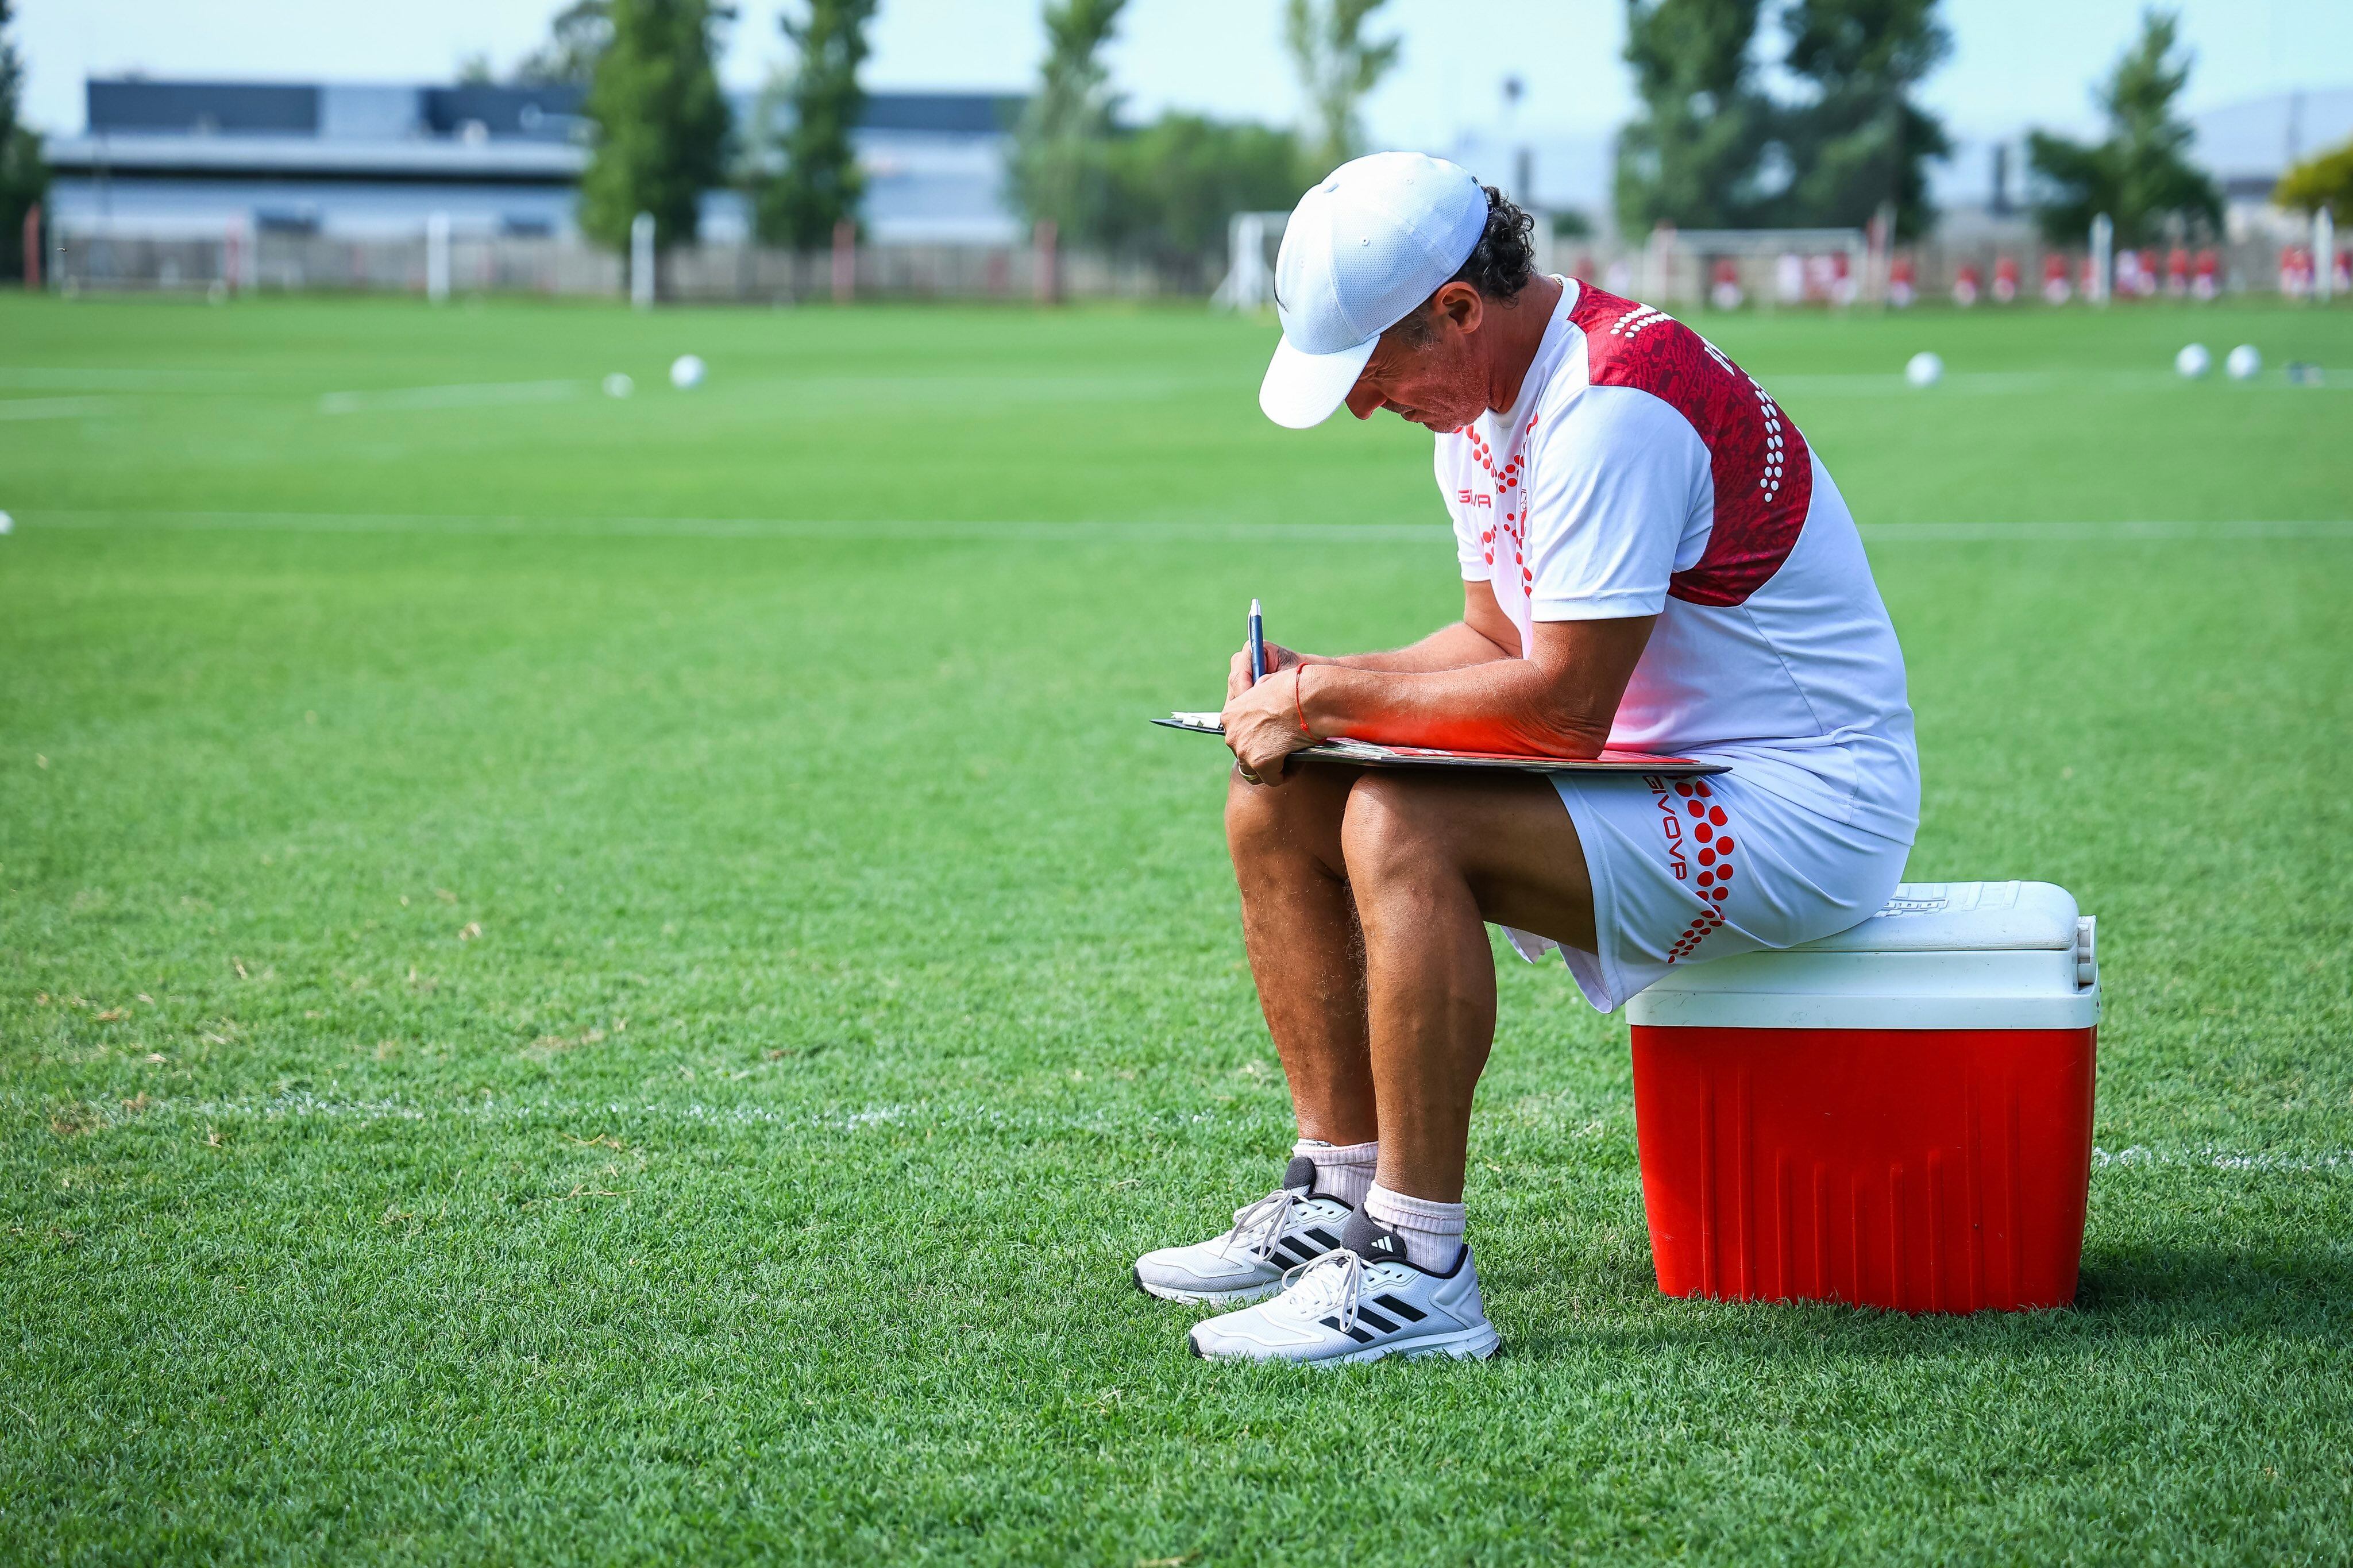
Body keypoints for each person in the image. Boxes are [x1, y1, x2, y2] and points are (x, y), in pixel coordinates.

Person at [1131, 153, 1919, 1364]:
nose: (1359, 404)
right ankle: (1335, 1196)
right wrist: (1314, 685)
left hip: (1802, 804)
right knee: (1276, 801)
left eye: (1373, 367)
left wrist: (1332, 695)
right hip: (1665, 773)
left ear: (1457, 310)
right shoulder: (1483, 398)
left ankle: (1416, 1268)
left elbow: (1559, 712)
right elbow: (1496, 638)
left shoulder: (1612, 403)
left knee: (1401, 822)